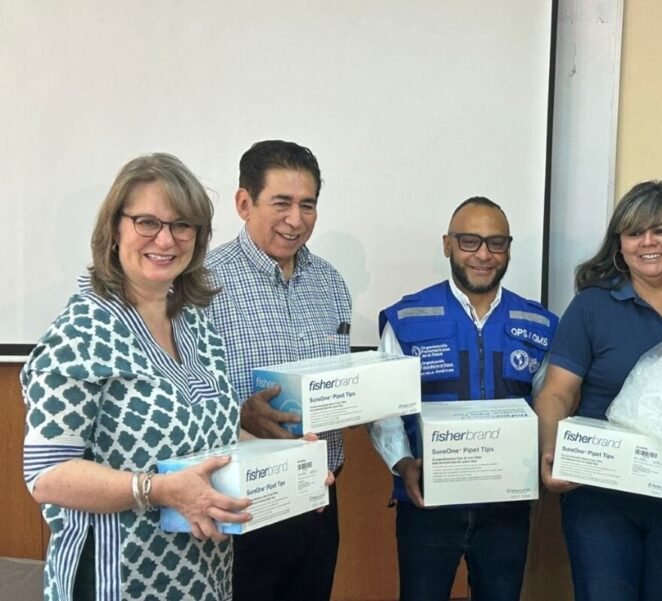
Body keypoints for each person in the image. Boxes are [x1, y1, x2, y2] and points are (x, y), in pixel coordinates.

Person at [21, 153, 251, 600]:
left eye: (182, 225)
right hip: (115, 579)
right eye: (147, 222)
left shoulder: (196, 325)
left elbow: (216, 430)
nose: (165, 239)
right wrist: (158, 489)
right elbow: (45, 474)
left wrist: (288, 468)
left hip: (202, 575)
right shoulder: (80, 332)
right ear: (115, 230)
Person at [205, 140, 409, 601]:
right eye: (281, 203)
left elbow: (337, 383)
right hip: (242, 498)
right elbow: (181, 396)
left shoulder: (331, 282)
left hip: (319, 495)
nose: (296, 220)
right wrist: (238, 416)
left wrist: (365, 398)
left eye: (308, 205)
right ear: (243, 203)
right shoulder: (201, 282)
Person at [535, 180, 662, 601]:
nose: (647, 242)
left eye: (661, 230)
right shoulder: (592, 306)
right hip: (600, 495)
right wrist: (551, 449)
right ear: (619, 244)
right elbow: (557, 392)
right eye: (633, 233)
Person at [378, 196, 558, 601]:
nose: (483, 255)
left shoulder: (540, 324)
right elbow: (384, 410)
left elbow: (550, 403)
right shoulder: (407, 319)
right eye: (469, 242)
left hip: (507, 511)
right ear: (447, 245)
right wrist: (402, 462)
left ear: (508, 248)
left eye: (496, 243)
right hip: (426, 505)